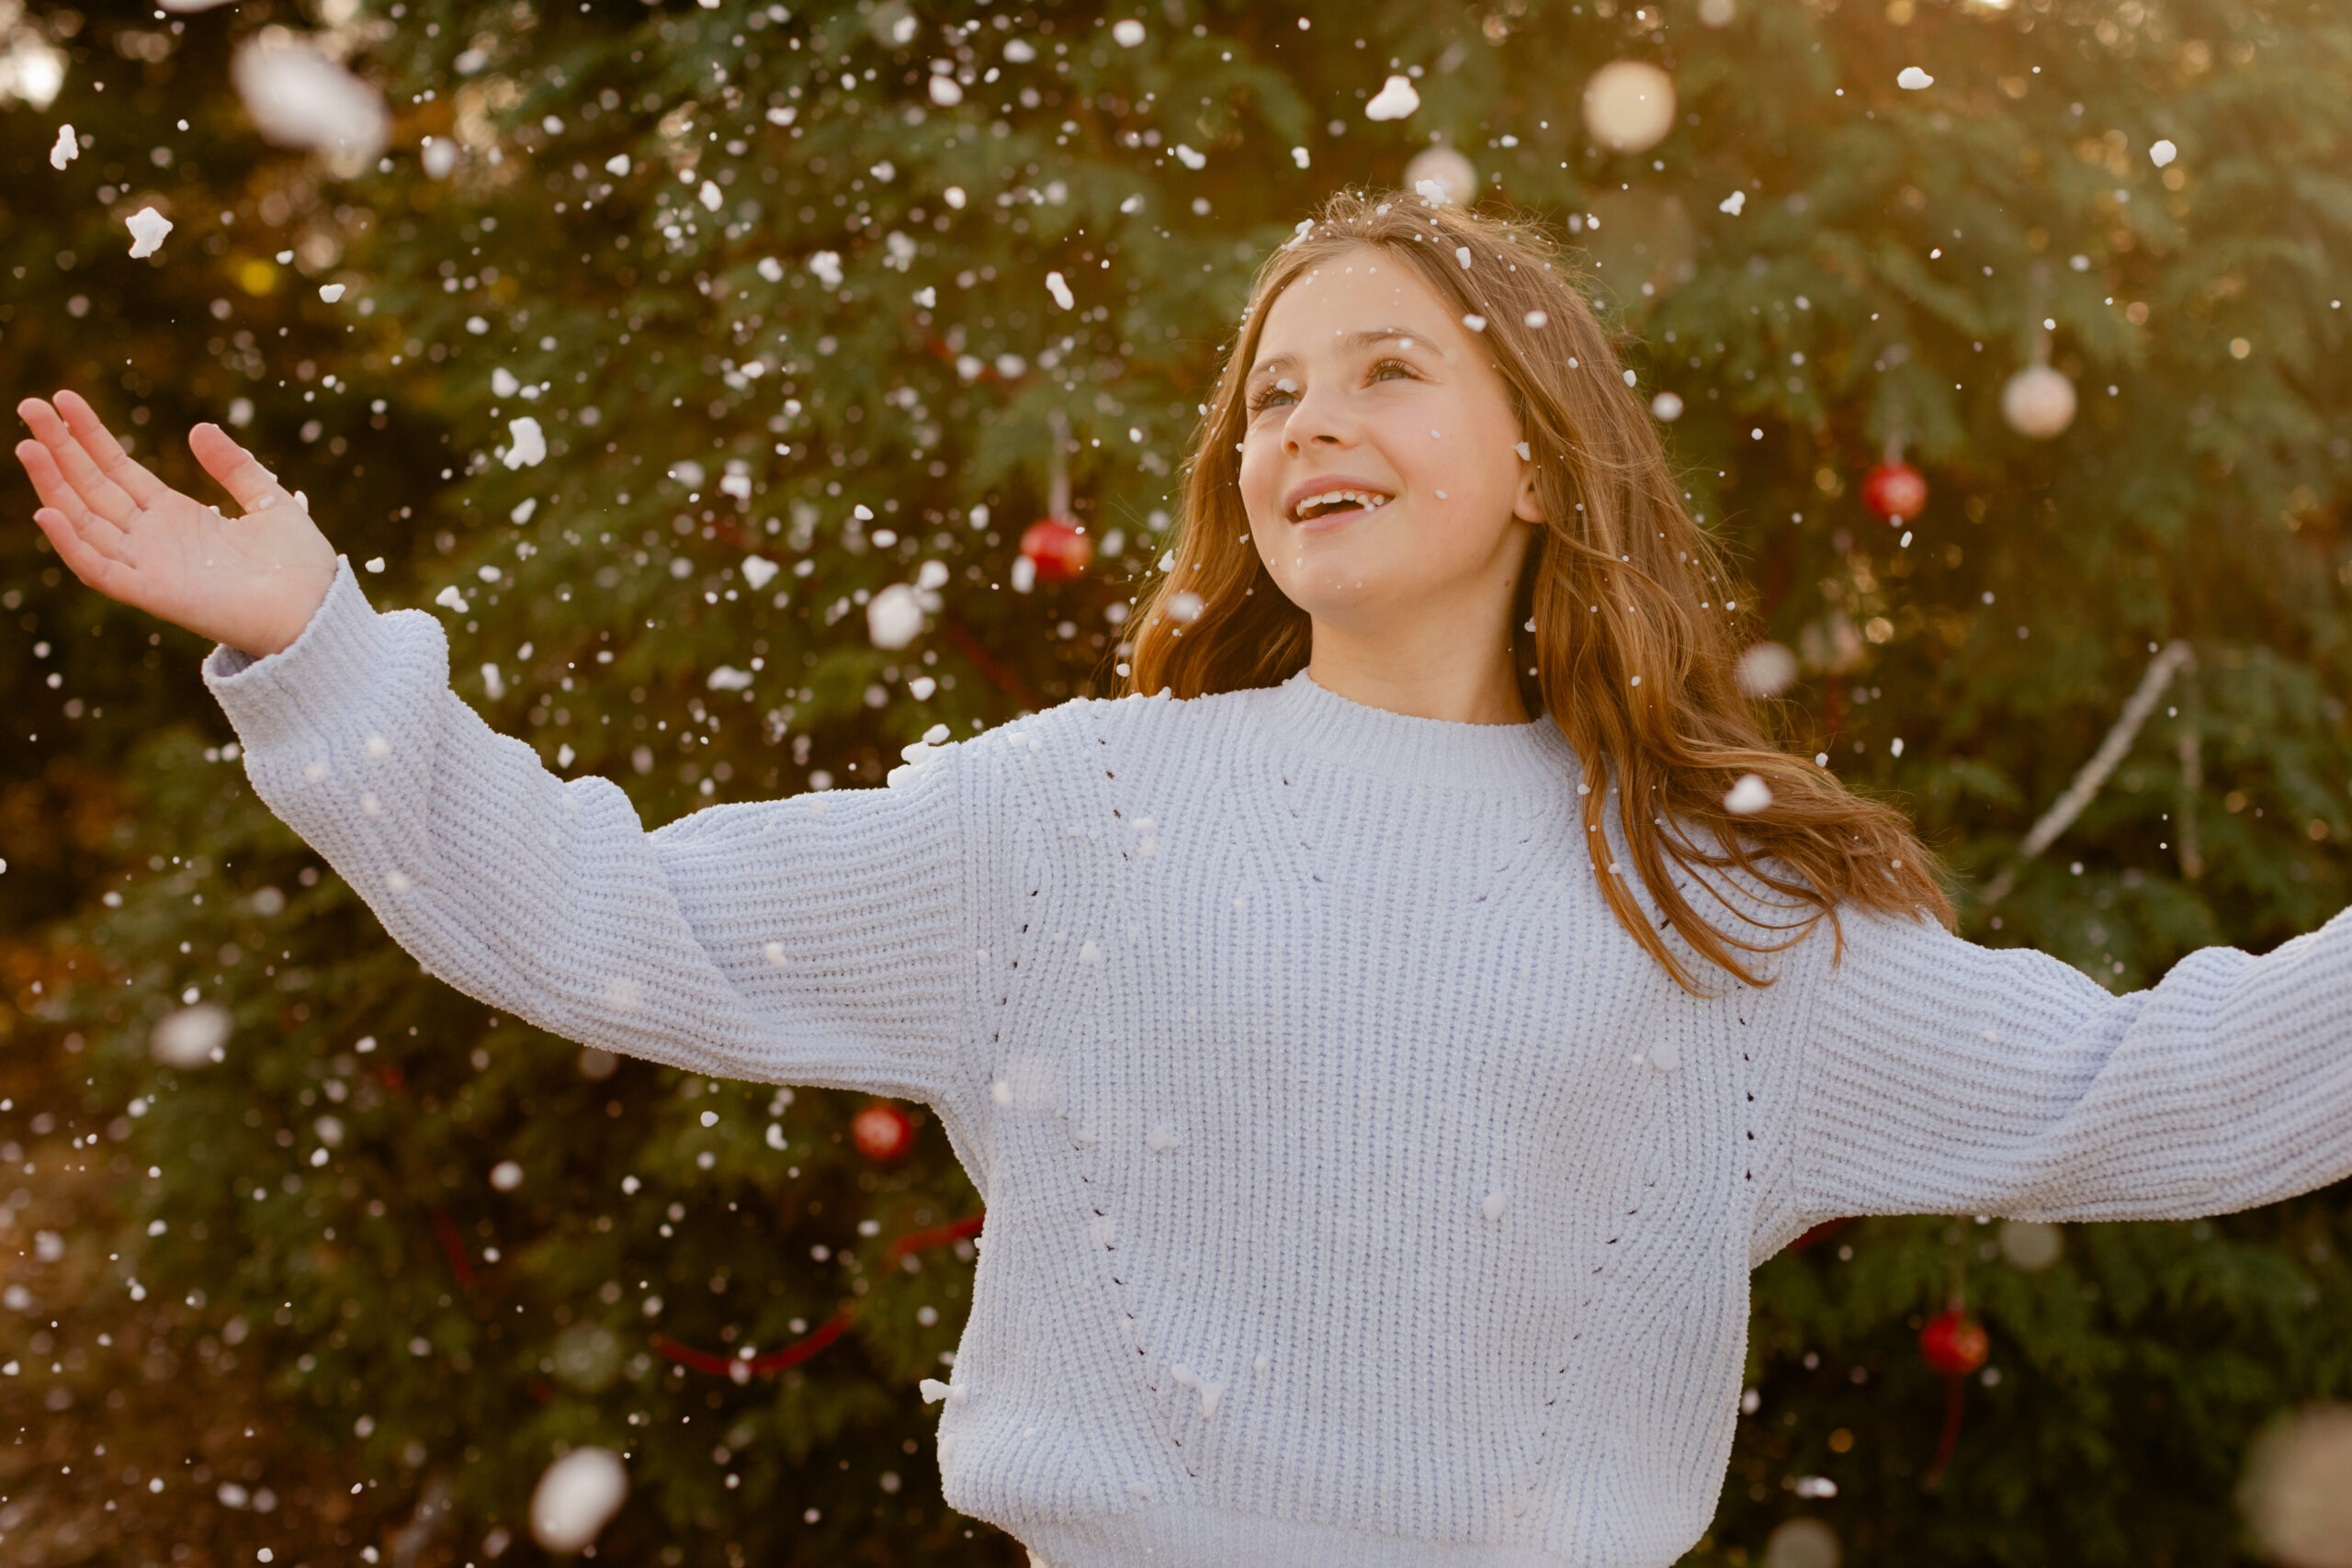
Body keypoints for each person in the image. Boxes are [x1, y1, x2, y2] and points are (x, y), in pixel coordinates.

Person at [15, 187, 2351, 1568]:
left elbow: (2154, 1085)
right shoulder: (1067, 820)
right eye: (1265, 393)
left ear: (1540, 454)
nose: (1301, 421)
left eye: (1383, 372)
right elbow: (608, 913)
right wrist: (319, 652)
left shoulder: (1719, 912)